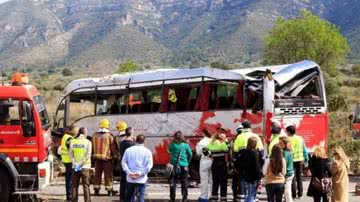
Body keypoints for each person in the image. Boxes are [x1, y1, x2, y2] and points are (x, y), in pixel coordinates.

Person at [233, 121, 264, 200]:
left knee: (242, 182)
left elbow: (235, 151)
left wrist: (235, 164)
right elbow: (261, 152)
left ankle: (242, 198)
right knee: (253, 184)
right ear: (250, 128)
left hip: (243, 164)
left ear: (242, 127)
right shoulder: (255, 136)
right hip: (254, 163)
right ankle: (253, 198)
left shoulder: (239, 137)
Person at [121, 134, 153, 202]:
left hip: (130, 178)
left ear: (135, 140)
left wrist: (129, 173)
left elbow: (123, 162)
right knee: (141, 198)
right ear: (144, 141)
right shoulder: (147, 152)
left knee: (129, 198)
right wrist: (140, 174)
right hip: (142, 179)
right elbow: (149, 166)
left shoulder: (128, 150)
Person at [92, 119, 118, 196]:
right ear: (107, 126)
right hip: (107, 159)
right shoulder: (110, 136)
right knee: (108, 175)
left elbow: (92, 147)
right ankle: (109, 191)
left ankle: (96, 190)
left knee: (97, 175)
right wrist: (115, 156)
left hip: (97, 158)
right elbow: (113, 148)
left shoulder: (94, 135)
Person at [168, 131, 192, 202]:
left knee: (173, 182)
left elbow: (169, 151)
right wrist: (187, 162)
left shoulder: (172, 145)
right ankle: (184, 198)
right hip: (184, 166)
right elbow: (190, 154)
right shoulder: (185, 145)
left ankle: (172, 198)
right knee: (184, 182)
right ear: (182, 137)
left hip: (174, 166)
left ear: (175, 137)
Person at [69, 127, 92, 202]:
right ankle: (87, 200)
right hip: (85, 167)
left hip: (75, 167)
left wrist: (75, 164)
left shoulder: (73, 142)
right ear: (85, 133)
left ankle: (74, 200)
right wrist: (80, 165)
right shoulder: (88, 142)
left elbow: (71, 155)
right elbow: (88, 155)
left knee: (74, 186)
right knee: (86, 186)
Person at [286, 125, 309, 199]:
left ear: (289, 132)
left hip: (291, 161)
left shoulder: (287, 139)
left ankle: (293, 195)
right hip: (300, 160)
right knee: (299, 177)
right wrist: (306, 159)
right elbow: (304, 149)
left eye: (287, 132)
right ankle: (300, 194)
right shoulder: (300, 138)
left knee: (292, 178)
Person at [238, 137, 262, 202]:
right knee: (252, 194)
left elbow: (239, 164)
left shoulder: (244, 152)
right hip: (253, 177)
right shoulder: (255, 153)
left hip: (246, 175)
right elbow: (257, 166)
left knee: (248, 193)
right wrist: (260, 176)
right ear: (255, 144)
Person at [207, 132, 229, 202]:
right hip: (222, 164)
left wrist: (211, 156)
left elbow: (204, 150)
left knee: (215, 181)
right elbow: (227, 150)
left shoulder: (211, 143)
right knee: (223, 181)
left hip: (214, 164)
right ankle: (223, 198)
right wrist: (226, 141)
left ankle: (214, 197)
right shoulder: (222, 143)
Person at [60, 125, 78, 201]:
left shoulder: (66, 136)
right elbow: (71, 150)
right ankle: (70, 196)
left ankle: (69, 196)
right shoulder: (69, 138)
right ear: (72, 131)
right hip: (70, 161)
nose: (77, 132)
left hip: (66, 160)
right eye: (76, 130)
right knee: (70, 180)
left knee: (68, 179)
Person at [196, 128, 213, 202]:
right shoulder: (213, 141)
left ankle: (204, 196)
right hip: (213, 160)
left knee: (204, 180)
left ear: (203, 134)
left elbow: (198, 153)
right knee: (212, 179)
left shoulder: (201, 142)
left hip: (204, 161)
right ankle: (213, 195)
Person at [119, 127, 135, 201]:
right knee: (130, 182)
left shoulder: (121, 143)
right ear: (131, 133)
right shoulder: (132, 144)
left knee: (122, 182)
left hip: (122, 164)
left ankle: (122, 197)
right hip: (130, 166)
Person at [279, 136, 294, 202]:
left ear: (285, 144)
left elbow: (284, 166)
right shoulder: (288, 151)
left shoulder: (285, 153)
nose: (279, 145)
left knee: (287, 193)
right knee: (286, 192)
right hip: (289, 173)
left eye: (281, 143)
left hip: (287, 174)